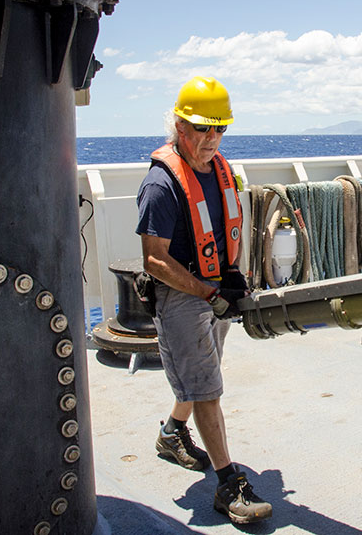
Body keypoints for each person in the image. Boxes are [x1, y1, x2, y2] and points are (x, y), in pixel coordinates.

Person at [136, 76, 272, 526]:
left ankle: (172, 432)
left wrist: (233, 276)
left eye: (220, 129)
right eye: (201, 129)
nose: (211, 139)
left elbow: (222, 229)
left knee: (200, 376)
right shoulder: (161, 185)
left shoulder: (219, 171)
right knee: (208, 389)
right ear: (179, 125)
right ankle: (229, 485)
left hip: (216, 290)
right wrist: (208, 293)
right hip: (182, 297)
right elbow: (155, 261)